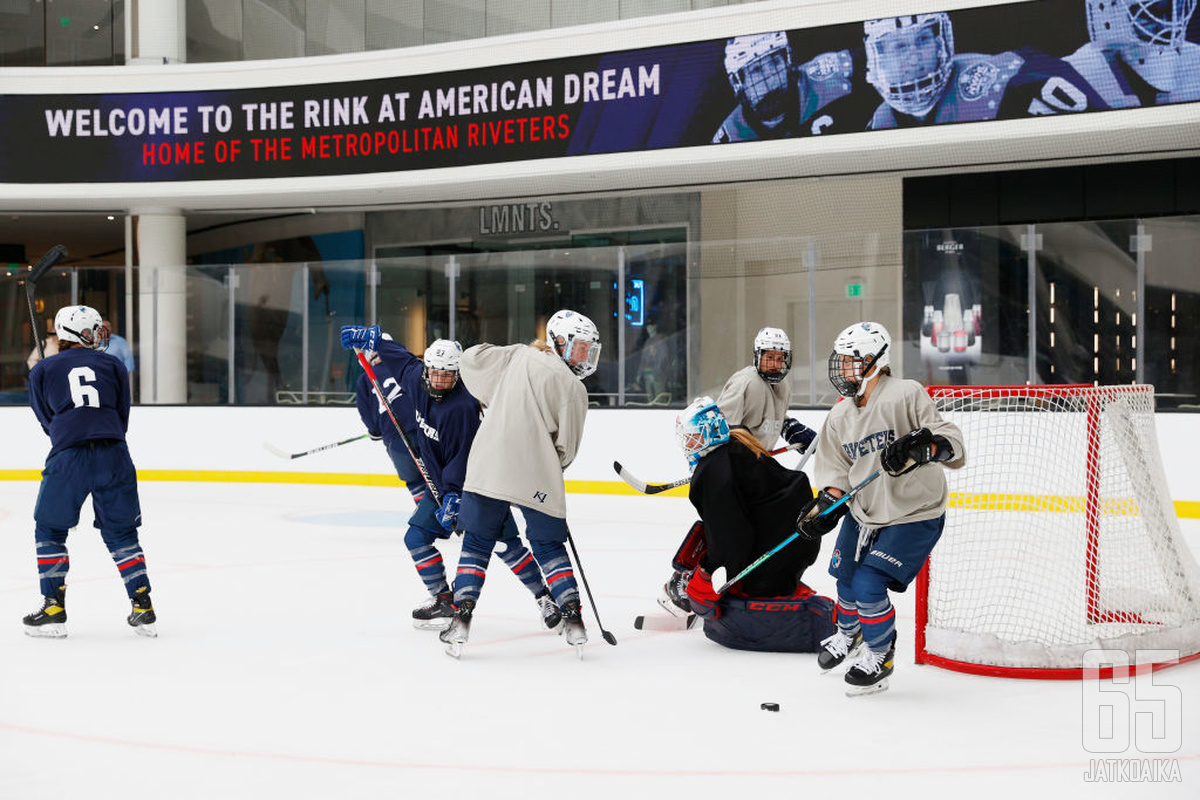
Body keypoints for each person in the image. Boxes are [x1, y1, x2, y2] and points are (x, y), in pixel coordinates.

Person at [343, 328, 563, 633]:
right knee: (415, 538)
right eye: (434, 374)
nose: (439, 382)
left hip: (478, 485)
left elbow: (461, 459)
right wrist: (373, 338)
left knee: (506, 545)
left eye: (447, 376)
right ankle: (443, 599)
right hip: (442, 488)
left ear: (458, 375)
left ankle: (545, 596)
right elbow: (403, 361)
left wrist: (453, 495)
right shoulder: (416, 380)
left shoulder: (461, 407)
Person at [798, 321, 965, 695]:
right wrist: (826, 503)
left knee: (868, 584)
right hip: (865, 511)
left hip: (914, 511)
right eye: (840, 363)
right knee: (844, 579)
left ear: (875, 361)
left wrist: (927, 448)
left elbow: (949, 440)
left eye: (850, 362)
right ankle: (849, 634)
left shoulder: (905, 394)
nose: (842, 371)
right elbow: (835, 470)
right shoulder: (839, 415)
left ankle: (879, 653)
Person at [436, 309, 601, 657]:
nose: (584, 357)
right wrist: (543, 467)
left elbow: (471, 358)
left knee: (477, 545)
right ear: (558, 341)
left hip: (488, 467)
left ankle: (461, 619)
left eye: (588, 350)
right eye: (579, 348)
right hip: (536, 473)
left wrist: (505, 371)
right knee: (549, 545)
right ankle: (572, 618)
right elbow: (565, 450)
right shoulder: (573, 388)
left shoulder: (518, 356)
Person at [659, 326, 816, 615]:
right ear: (757, 356)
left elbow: (771, 420)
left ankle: (719, 579)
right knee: (721, 527)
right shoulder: (745, 382)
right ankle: (680, 579)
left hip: (754, 470)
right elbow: (721, 428)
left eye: (780, 358)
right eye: (769, 357)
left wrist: (790, 428)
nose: (775, 363)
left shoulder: (782, 386)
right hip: (734, 471)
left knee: (746, 528)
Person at [23, 305, 157, 638]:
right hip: (114, 453)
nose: (98, 335)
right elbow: (122, 412)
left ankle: (53, 607)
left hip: (69, 456)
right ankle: (143, 605)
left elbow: (46, 420)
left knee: (50, 529)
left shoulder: (42, 370)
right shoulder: (112, 363)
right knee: (122, 533)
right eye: (94, 329)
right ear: (78, 332)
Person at [667, 397, 836, 653]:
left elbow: (732, 534)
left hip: (770, 562)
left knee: (719, 545)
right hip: (796, 546)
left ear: (710, 433)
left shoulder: (714, 470)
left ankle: (693, 585)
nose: (689, 445)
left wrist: (708, 573)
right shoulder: (737, 445)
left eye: (694, 438)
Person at [863, 13, 1107, 129]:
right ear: (878, 58)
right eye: (900, 46)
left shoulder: (1003, 83)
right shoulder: (881, 121)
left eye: (924, 39)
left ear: (941, 43)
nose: (914, 56)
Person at [713, 31, 867, 142]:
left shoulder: (827, 76)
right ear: (739, 83)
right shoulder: (730, 135)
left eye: (775, 61)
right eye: (756, 70)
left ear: (787, 61)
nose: (772, 77)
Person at [1065, 0, 1200, 108]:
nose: (1167, 25)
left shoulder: (1194, 60)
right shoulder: (1075, 75)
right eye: (1151, 13)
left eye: (1174, 11)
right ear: (1110, 13)